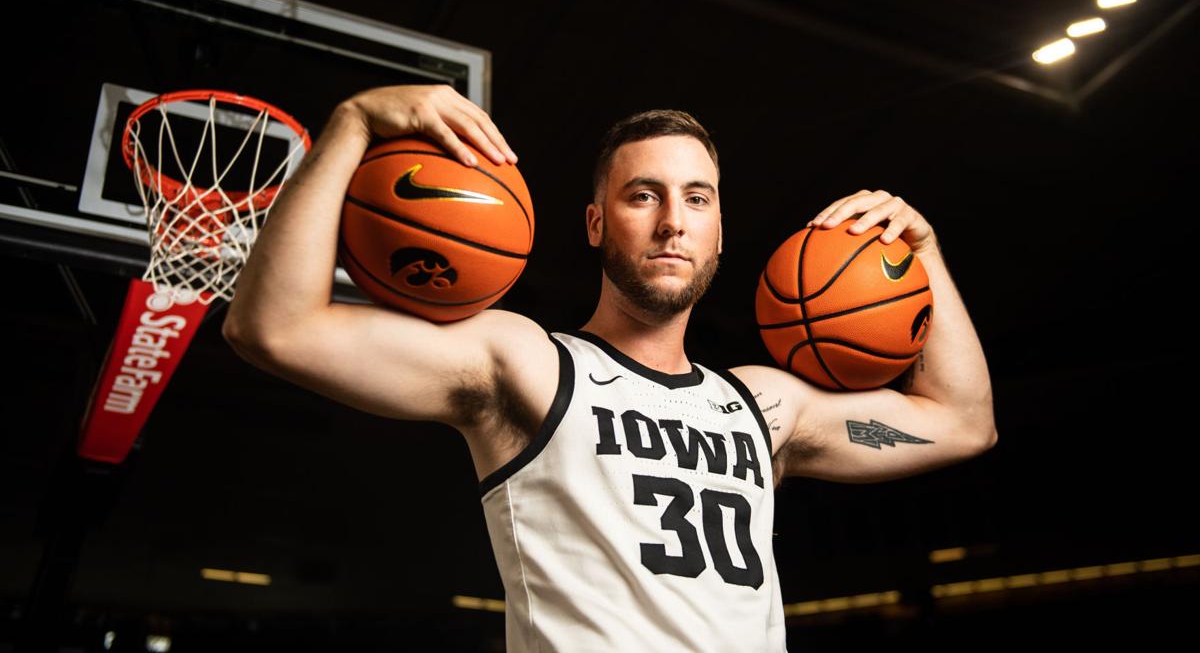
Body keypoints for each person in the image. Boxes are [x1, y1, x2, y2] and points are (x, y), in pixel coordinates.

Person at [223, 84, 996, 652]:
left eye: (697, 199)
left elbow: (962, 423)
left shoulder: (765, 408)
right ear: (596, 223)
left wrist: (923, 253)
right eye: (642, 196)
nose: (671, 222)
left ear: (719, 231)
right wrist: (352, 125)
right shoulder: (524, 367)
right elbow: (273, 328)